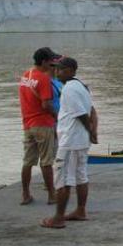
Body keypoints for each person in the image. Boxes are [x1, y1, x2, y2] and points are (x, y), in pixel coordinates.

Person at [41, 57, 94, 229]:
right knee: (80, 176)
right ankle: (80, 210)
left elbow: (81, 114)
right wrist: (91, 132)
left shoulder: (70, 89)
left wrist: (91, 131)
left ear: (71, 70)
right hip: (80, 140)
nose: (57, 72)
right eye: (56, 69)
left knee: (63, 179)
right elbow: (91, 111)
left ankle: (58, 218)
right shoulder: (80, 86)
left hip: (71, 140)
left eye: (61, 69)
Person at [19, 47, 61, 206]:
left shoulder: (25, 75)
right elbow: (46, 104)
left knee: (28, 161)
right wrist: (57, 117)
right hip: (43, 124)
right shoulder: (43, 79)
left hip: (27, 124)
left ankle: (25, 194)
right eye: (50, 61)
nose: (52, 64)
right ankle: (52, 195)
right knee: (46, 161)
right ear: (44, 61)